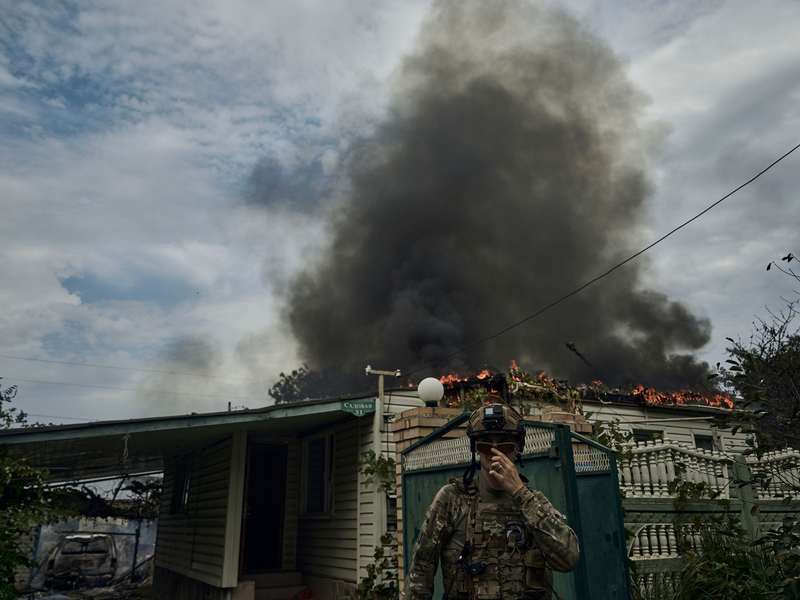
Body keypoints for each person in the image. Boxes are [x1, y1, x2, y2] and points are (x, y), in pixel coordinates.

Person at [403, 402, 579, 600]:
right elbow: (421, 570)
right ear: (475, 449)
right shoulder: (452, 499)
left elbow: (569, 559)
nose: (494, 452)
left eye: (504, 444)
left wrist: (519, 494)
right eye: (485, 445)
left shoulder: (533, 502)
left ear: (518, 447)